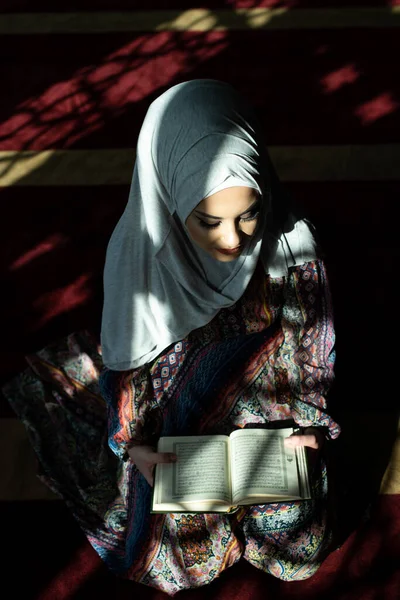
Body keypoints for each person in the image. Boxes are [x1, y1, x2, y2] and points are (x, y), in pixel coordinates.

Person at [4, 79, 340, 595]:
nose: (234, 239)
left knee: (295, 553)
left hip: (264, 419)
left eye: (249, 213)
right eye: (210, 221)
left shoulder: (293, 248)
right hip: (173, 424)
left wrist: (308, 425)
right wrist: (133, 445)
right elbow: (130, 372)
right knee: (177, 561)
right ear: (169, 197)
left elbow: (308, 350)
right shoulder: (138, 262)